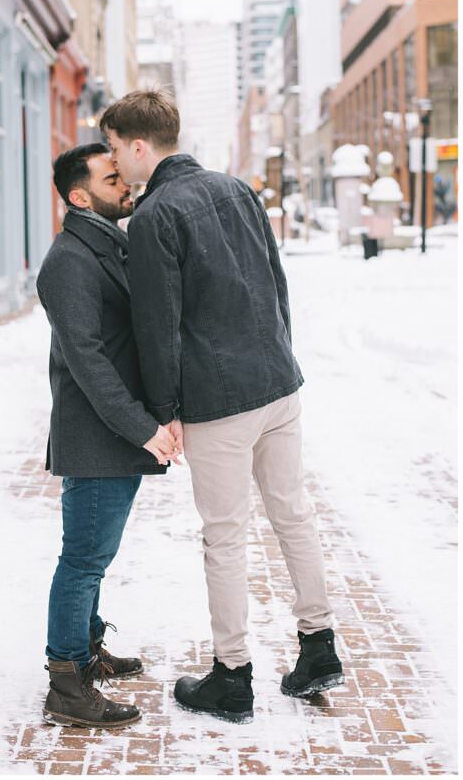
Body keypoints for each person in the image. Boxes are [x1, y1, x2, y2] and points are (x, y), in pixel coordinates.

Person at [100, 90, 344, 724]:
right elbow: (276, 282)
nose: (114, 164)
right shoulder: (238, 189)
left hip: (218, 399)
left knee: (226, 536)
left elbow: (158, 324)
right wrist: (280, 354)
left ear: (138, 145)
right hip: (277, 384)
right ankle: (319, 647)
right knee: (293, 515)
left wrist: (164, 409)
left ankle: (232, 676)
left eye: (114, 149)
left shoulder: (155, 215)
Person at [36, 143, 181, 729]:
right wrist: (143, 428)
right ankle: (67, 683)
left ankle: (87, 645)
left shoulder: (105, 243)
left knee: (94, 556)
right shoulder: (69, 260)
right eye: (111, 177)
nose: (125, 184)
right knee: (84, 559)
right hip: (98, 436)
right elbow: (88, 362)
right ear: (79, 195)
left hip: (113, 434)